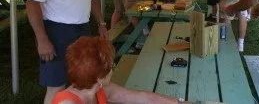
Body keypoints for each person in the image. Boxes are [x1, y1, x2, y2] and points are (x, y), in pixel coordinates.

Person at [51, 36, 182, 104]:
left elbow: (143, 98)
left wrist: (181, 102)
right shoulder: (67, 102)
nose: (112, 70)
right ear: (99, 76)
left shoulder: (98, 88)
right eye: (110, 67)